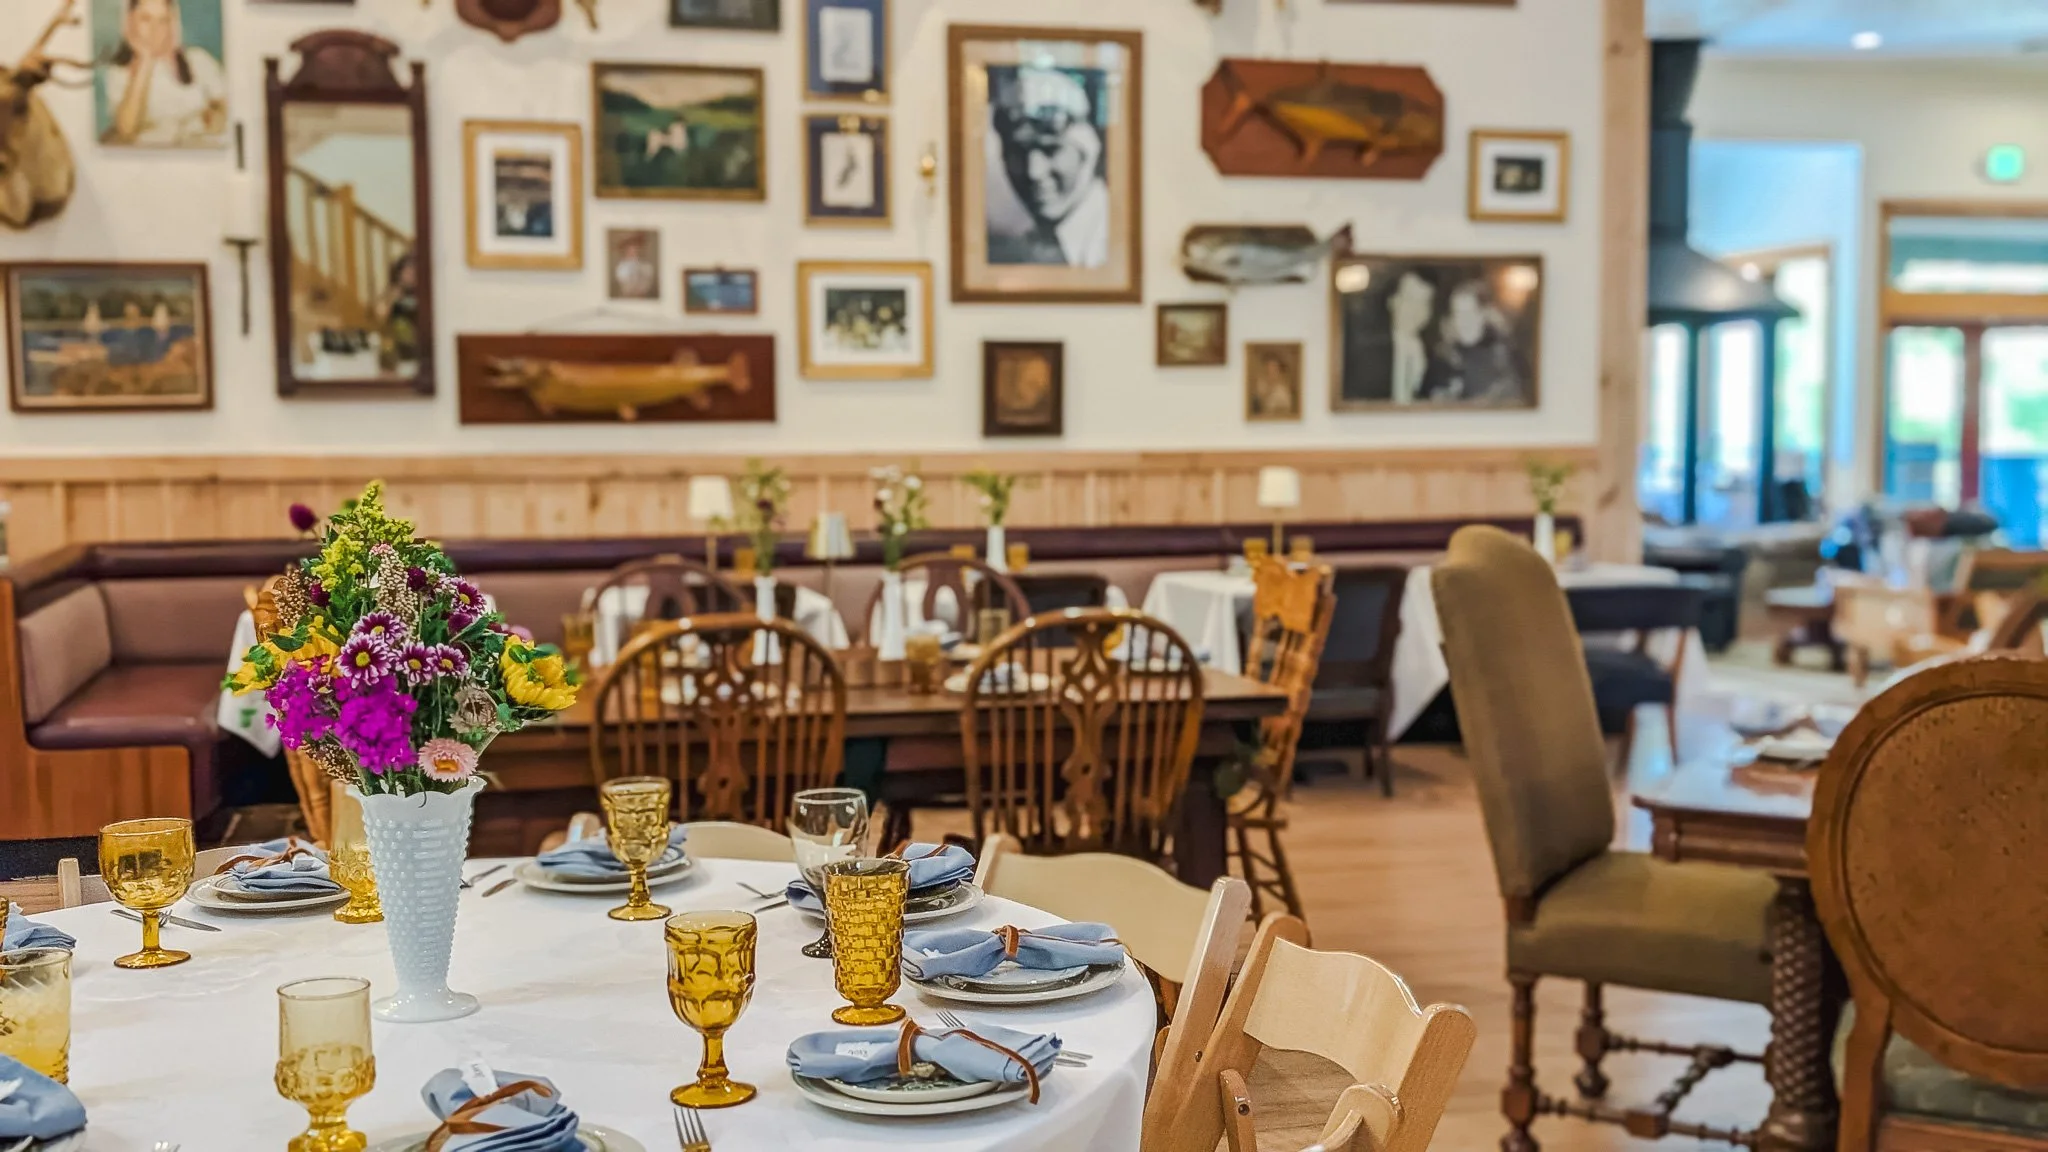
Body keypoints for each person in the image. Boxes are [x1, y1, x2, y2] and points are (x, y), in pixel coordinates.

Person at [986, 66, 1110, 268]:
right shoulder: (1028, 246)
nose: (1033, 171)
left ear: (1086, 152)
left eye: (1050, 151)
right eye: (1018, 153)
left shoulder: (1110, 241)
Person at [102, 0, 226, 147]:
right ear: (129, 22)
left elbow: (225, 105)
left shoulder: (198, 60)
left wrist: (217, 117)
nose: (155, 30)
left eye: (163, 20)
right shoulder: (119, 73)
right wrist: (145, 61)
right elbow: (126, 130)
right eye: (146, 19)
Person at [1250, 352, 1297, 419]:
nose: (1271, 371)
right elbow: (1259, 403)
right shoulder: (1261, 383)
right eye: (1268, 367)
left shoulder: (1283, 387)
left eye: (1274, 368)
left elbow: (1287, 405)